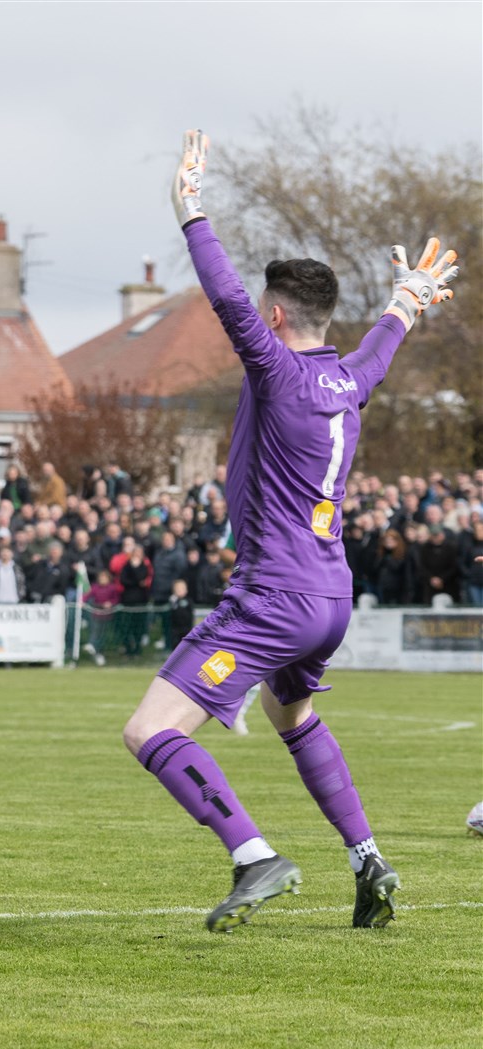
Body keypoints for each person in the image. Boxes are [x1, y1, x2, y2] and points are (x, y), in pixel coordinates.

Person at [123, 130, 459, 933]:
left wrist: (190, 211)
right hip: (332, 595)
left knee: (147, 730)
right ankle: (368, 859)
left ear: (277, 318)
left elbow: (225, 298)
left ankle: (253, 855)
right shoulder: (352, 378)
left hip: (274, 594)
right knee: (290, 712)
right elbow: (388, 335)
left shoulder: (274, 369)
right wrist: (408, 297)